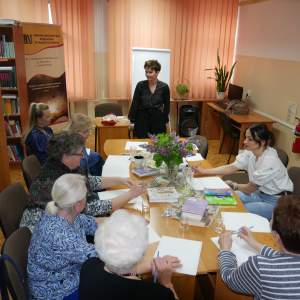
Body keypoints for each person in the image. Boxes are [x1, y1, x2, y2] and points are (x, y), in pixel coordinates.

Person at [20, 131, 146, 232]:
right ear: (66, 157)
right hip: (44, 234)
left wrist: (119, 180)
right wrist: (131, 194)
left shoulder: (63, 165)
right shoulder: (61, 179)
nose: (83, 157)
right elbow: (93, 209)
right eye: (80, 154)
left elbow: (88, 180)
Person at [192, 123, 293, 221]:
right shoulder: (251, 151)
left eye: (250, 139)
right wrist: (204, 171)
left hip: (277, 202)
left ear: (263, 141)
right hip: (261, 193)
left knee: (241, 210)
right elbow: (231, 167)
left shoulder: (269, 161)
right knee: (230, 199)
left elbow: (249, 189)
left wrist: (233, 185)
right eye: (246, 137)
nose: (245, 142)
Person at [28, 174, 101, 300]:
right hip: (56, 292)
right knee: (110, 284)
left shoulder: (61, 211)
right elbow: (103, 258)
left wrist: (123, 221)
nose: (87, 198)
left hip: (66, 276)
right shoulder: (62, 236)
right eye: (85, 195)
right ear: (76, 205)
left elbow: (92, 222)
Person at [79, 209, 181, 300]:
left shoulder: (88, 267)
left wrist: (147, 266)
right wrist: (167, 283)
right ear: (143, 252)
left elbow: (116, 276)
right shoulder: (157, 294)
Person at [218, 195, 300, 299]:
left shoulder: (260, 267)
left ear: (278, 237)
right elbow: (287, 261)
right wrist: (255, 244)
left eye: (271, 219)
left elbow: (229, 278)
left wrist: (225, 250)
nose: (270, 221)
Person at [128, 59, 170, 138]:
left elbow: (167, 105)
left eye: (150, 72)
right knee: (142, 143)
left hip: (158, 119)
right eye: (146, 72)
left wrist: (165, 120)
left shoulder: (164, 87)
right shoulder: (140, 85)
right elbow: (135, 103)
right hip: (142, 118)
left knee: (157, 144)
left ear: (157, 73)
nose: (147, 74)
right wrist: (132, 121)